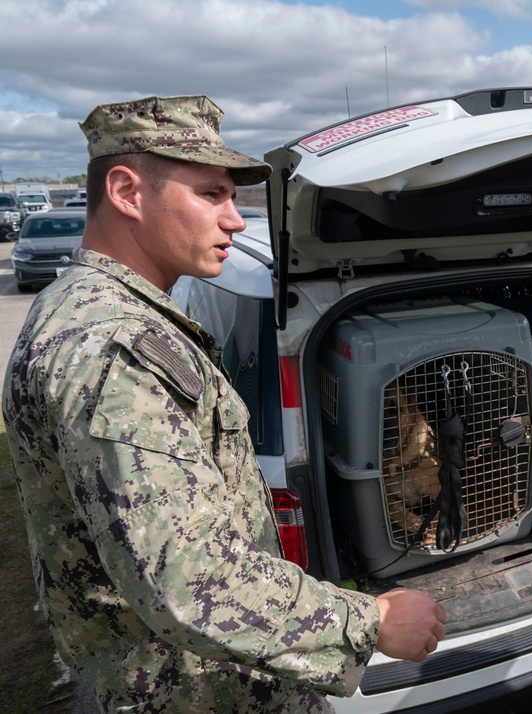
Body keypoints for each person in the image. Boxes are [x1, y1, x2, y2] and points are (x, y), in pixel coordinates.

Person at [2, 95, 446, 713]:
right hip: (194, 691)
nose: (236, 220)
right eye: (212, 194)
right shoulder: (112, 349)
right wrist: (368, 622)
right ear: (127, 192)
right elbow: (186, 580)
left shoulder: (93, 311)